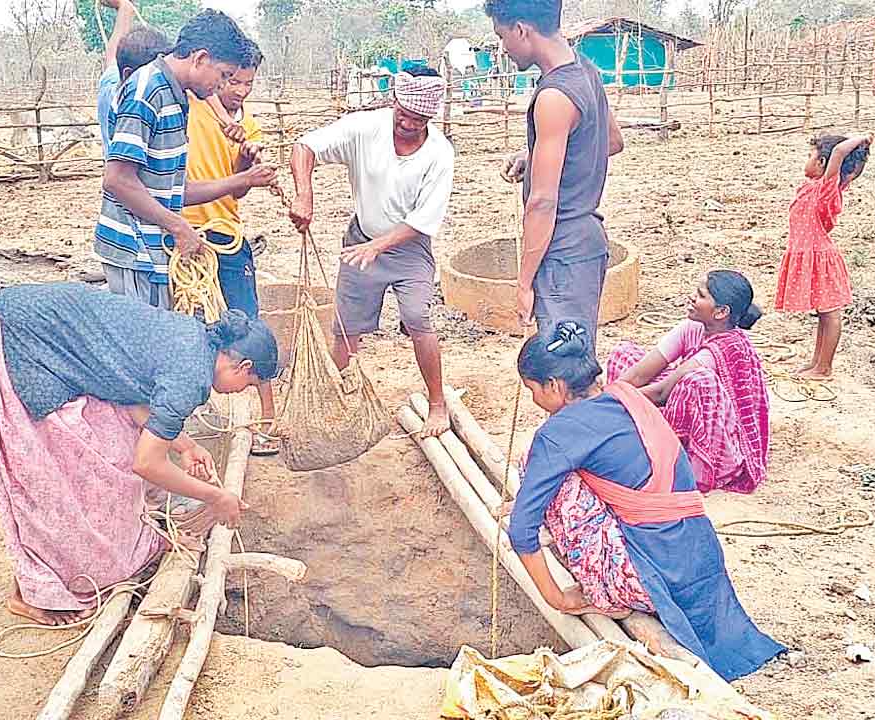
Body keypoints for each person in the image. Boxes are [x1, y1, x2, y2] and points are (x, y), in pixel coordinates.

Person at [0, 282, 279, 626]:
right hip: (25, 330)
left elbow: (128, 397)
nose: (244, 392)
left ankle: (92, 559)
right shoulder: (191, 376)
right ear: (243, 366)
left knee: (111, 445)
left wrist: (186, 445)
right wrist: (216, 497)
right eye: (251, 384)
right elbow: (147, 463)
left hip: (49, 327)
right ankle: (33, 591)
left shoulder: (197, 343)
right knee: (56, 472)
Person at [504, 320, 785, 681]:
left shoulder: (558, 433)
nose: (533, 399)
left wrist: (556, 597)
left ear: (555, 385)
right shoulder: (629, 397)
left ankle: (609, 590)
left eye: (532, 389)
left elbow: (521, 531)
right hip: (699, 566)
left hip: (650, 582)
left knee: (541, 467)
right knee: (577, 471)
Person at [288, 67, 455, 437]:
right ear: (394, 101)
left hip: (409, 249)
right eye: (403, 113)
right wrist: (304, 192)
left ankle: (438, 404)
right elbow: (304, 147)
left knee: (417, 317)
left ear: (430, 116)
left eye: (417, 118)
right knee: (346, 327)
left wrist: (377, 247)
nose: (407, 123)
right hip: (361, 238)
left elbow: (421, 222)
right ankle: (334, 402)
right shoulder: (366, 127)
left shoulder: (440, 155)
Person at [96, 10, 277, 309]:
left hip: (155, 250)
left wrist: (243, 179)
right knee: (145, 347)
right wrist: (179, 227)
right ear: (200, 58)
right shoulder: (147, 90)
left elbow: (174, 190)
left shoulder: (175, 96)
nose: (221, 86)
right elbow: (117, 180)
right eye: (223, 75)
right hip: (135, 249)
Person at [486, 0, 625, 336]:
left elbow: (543, 202)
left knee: (562, 374)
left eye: (502, 37)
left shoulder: (554, 97)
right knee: (573, 364)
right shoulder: (585, 70)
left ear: (521, 29)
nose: (503, 48)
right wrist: (536, 156)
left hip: (561, 251)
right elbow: (612, 141)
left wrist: (524, 282)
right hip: (586, 243)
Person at [183, 40, 278, 455]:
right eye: (233, 80)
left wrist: (245, 156)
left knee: (250, 328)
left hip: (226, 233)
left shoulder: (248, 123)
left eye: (248, 83)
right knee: (191, 326)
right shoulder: (192, 101)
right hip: (185, 236)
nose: (239, 90)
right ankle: (189, 421)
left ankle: (266, 419)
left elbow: (237, 192)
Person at [607, 271, 770, 494]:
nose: (692, 297)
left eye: (701, 295)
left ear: (721, 312)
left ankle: (695, 467)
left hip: (718, 434)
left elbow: (663, 392)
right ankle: (630, 432)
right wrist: (609, 395)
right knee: (623, 355)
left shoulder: (724, 348)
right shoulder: (693, 327)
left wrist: (611, 401)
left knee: (698, 382)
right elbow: (639, 374)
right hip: (681, 403)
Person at [774, 133, 872, 379]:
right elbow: (850, 169)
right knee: (823, 314)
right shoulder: (816, 187)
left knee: (830, 314)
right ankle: (817, 362)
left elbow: (839, 153)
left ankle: (824, 367)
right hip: (812, 255)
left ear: (823, 163)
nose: (806, 161)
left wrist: (863, 139)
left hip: (819, 257)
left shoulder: (827, 189)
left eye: (811, 156)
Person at [95, 0, 169, 154]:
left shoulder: (112, 84)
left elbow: (112, 57)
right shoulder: (134, 103)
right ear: (129, 75)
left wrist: (125, 9)